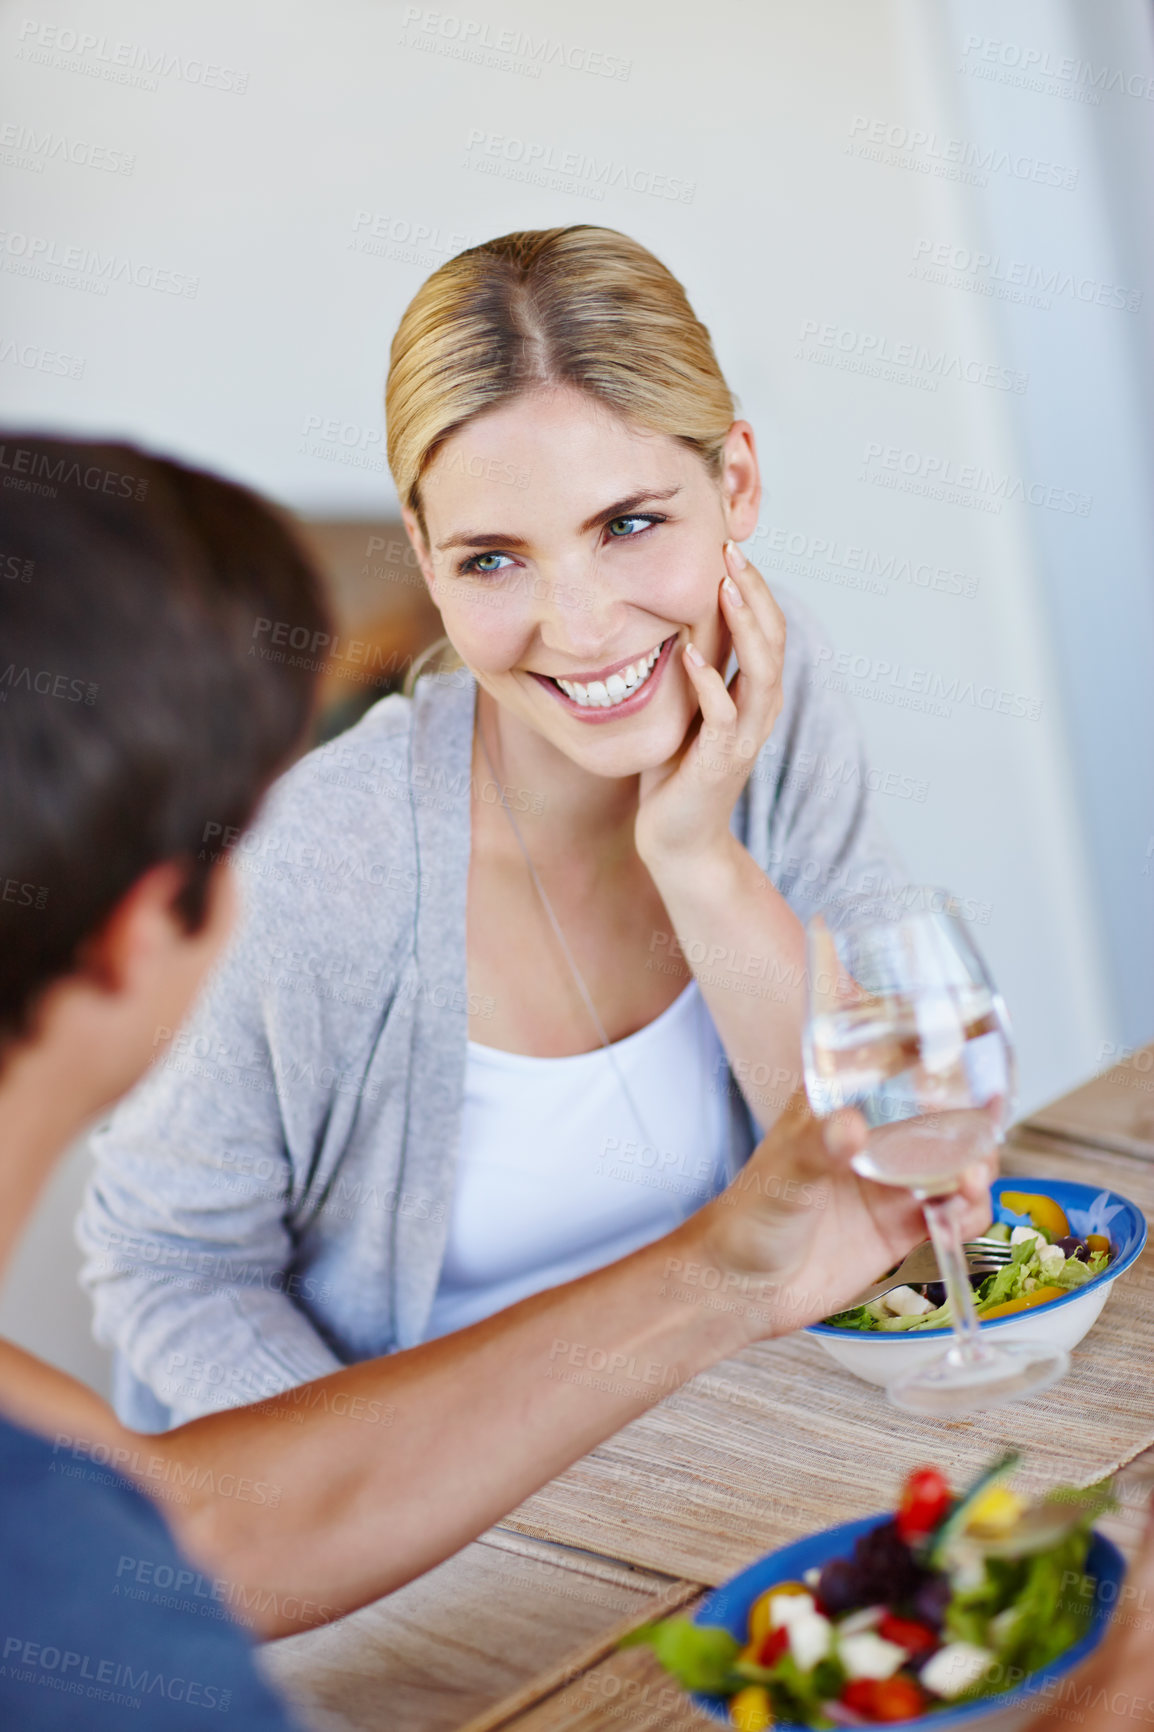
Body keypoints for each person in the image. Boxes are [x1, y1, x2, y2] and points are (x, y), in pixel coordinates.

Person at [0, 436, 994, 1727]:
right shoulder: (85, 1629)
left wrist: (719, 1270)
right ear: (149, 929)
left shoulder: (59, 1506)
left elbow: (193, 1519)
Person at [76, 226, 913, 1432]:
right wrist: (402, 1511)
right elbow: (168, 1267)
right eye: (492, 561)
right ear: (423, 555)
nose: (577, 628)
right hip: (435, 1546)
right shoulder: (315, 863)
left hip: (737, 1466)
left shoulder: (773, 703)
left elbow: (877, 1165)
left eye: (627, 524)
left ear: (734, 483)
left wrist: (697, 859)